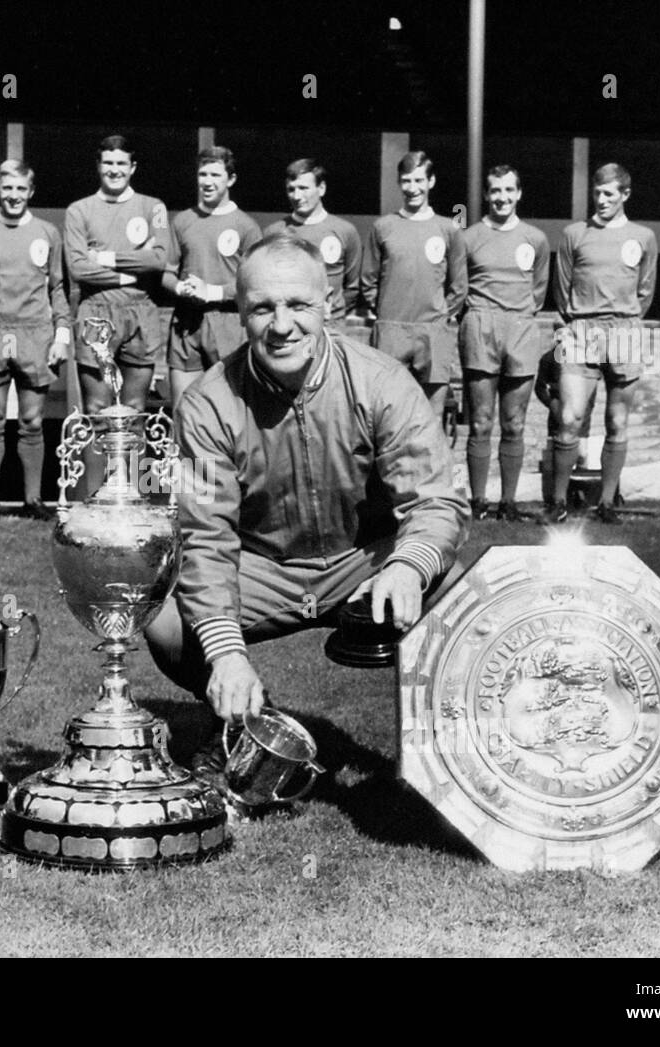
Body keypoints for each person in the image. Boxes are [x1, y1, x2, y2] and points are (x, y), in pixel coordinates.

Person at [144, 234, 469, 730]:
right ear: (239, 312)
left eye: (298, 305)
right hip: (263, 569)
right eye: (261, 308)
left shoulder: (381, 382)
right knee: (166, 620)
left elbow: (434, 502)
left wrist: (407, 567)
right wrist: (226, 653)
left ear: (328, 305)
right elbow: (204, 537)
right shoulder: (207, 403)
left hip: (363, 561)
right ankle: (253, 726)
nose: (281, 325)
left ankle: (442, 738)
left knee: (456, 591)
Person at [0, 161, 71, 522]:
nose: (14, 196)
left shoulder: (48, 233)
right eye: (8, 188)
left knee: (33, 420)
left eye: (21, 189)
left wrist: (62, 336)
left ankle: (33, 499)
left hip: (35, 333)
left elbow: (58, 288)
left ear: (31, 192)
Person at [547, 163, 657, 525]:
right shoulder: (573, 234)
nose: (602, 200)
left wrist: (621, 318)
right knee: (569, 416)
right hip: (579, 329)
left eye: (610, 193)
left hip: (625, 331)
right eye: (598, 193)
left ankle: (607, 503)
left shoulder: (643, 237)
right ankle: (558, 501)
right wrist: (580, 319)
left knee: (617, 419)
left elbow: (645, 292)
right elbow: (561, 291)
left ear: (625, 195)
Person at [458, 165, 551, 520]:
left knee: (514, 422)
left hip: (521, 329)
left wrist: (517, 316)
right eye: (495, 190)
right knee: (481, 420)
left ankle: (508, 502)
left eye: (509, 190)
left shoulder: (536, 239)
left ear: (519, 193)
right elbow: (459, 286)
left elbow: (538, 290)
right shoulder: (469, 237)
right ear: (486, 194)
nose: (502, 197)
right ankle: (478, 501)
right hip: (481, 326)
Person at [63, 135, 172, 415]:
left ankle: (131, 463)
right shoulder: (79, 210)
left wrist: (102, 257)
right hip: (96, 312)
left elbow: (160, 258)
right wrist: (131, 272)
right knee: (97, 408)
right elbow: (77, 267)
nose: (115, 169)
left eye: (121, 163)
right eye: (108, 162)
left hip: (141, 311)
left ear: (133, 167)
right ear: (98, 166)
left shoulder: (154, 207)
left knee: (135, 408)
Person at [361, 150, 468, 422]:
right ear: (399, 183)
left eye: (419, 181)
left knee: (431, 417)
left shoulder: (448, 228)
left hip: (432, 331)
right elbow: (369, 280)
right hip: (391, 330)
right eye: (406, 181)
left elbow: (458, 284)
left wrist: (441, 316)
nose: (412, 189)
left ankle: (432, 466)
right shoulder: (383, 227)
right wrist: (386, 312)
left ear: (431, 182)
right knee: (387, 413)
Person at [162, 146, 262, 406]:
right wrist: (181, 288)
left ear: (231, 179)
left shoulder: (246, 226)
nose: (207, 182)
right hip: (187, 324)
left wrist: (213, 292)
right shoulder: (183, 221)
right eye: (203, 174)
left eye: (215, 175)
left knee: (230, 409)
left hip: (228, 324)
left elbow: (255, 284)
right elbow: (167, 274)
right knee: (184, 409)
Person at [263, 158, 361, 329]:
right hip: (288, 324)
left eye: (303, 188)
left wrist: (333, 311)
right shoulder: (274, 232)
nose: (297, 196)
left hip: (332, 324)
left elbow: (352, 287)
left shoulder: (345, 231)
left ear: (321, 188)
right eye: (291, 189)